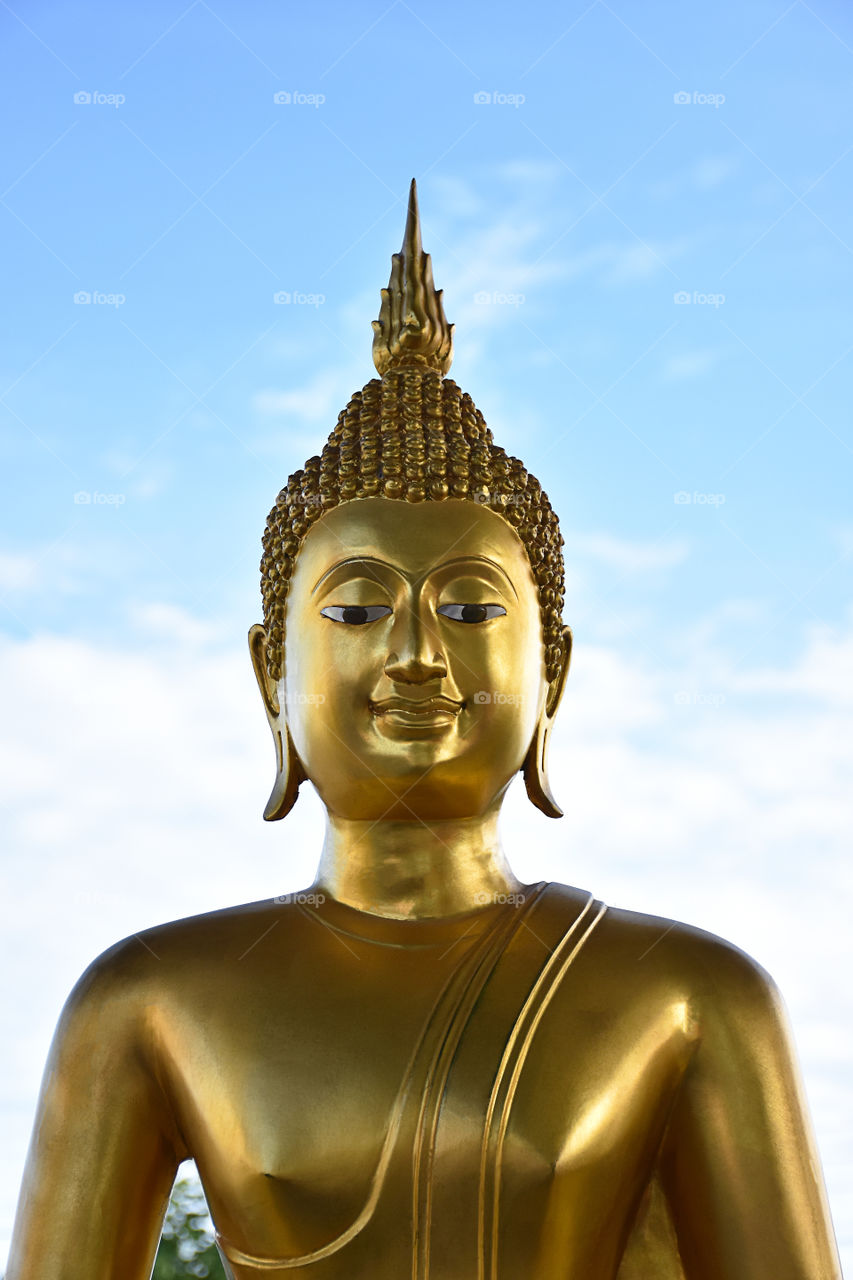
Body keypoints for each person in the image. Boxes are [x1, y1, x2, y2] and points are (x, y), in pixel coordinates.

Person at [6, 181, 842, 1280]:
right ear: (273, 673)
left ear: (553, 675)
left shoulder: (685, 995)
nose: (415, 654)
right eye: (355, 609)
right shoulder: (152, 997)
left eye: (471, 607)